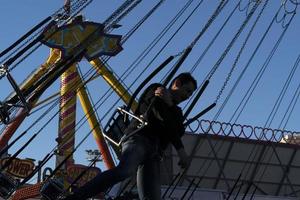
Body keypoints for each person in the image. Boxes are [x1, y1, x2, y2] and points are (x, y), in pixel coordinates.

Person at [63, 72, 197, 200]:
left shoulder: (177, 111)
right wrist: (180, 150)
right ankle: (76, 197)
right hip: (138, 139)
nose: (187, 96)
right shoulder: (155, 90)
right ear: (177, 83)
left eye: (190, 94)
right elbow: (159, 114)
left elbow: (177, 131)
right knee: (124, 171)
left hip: (154, 152)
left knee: (153, 196)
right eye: (187, 90)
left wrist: (170, 105)